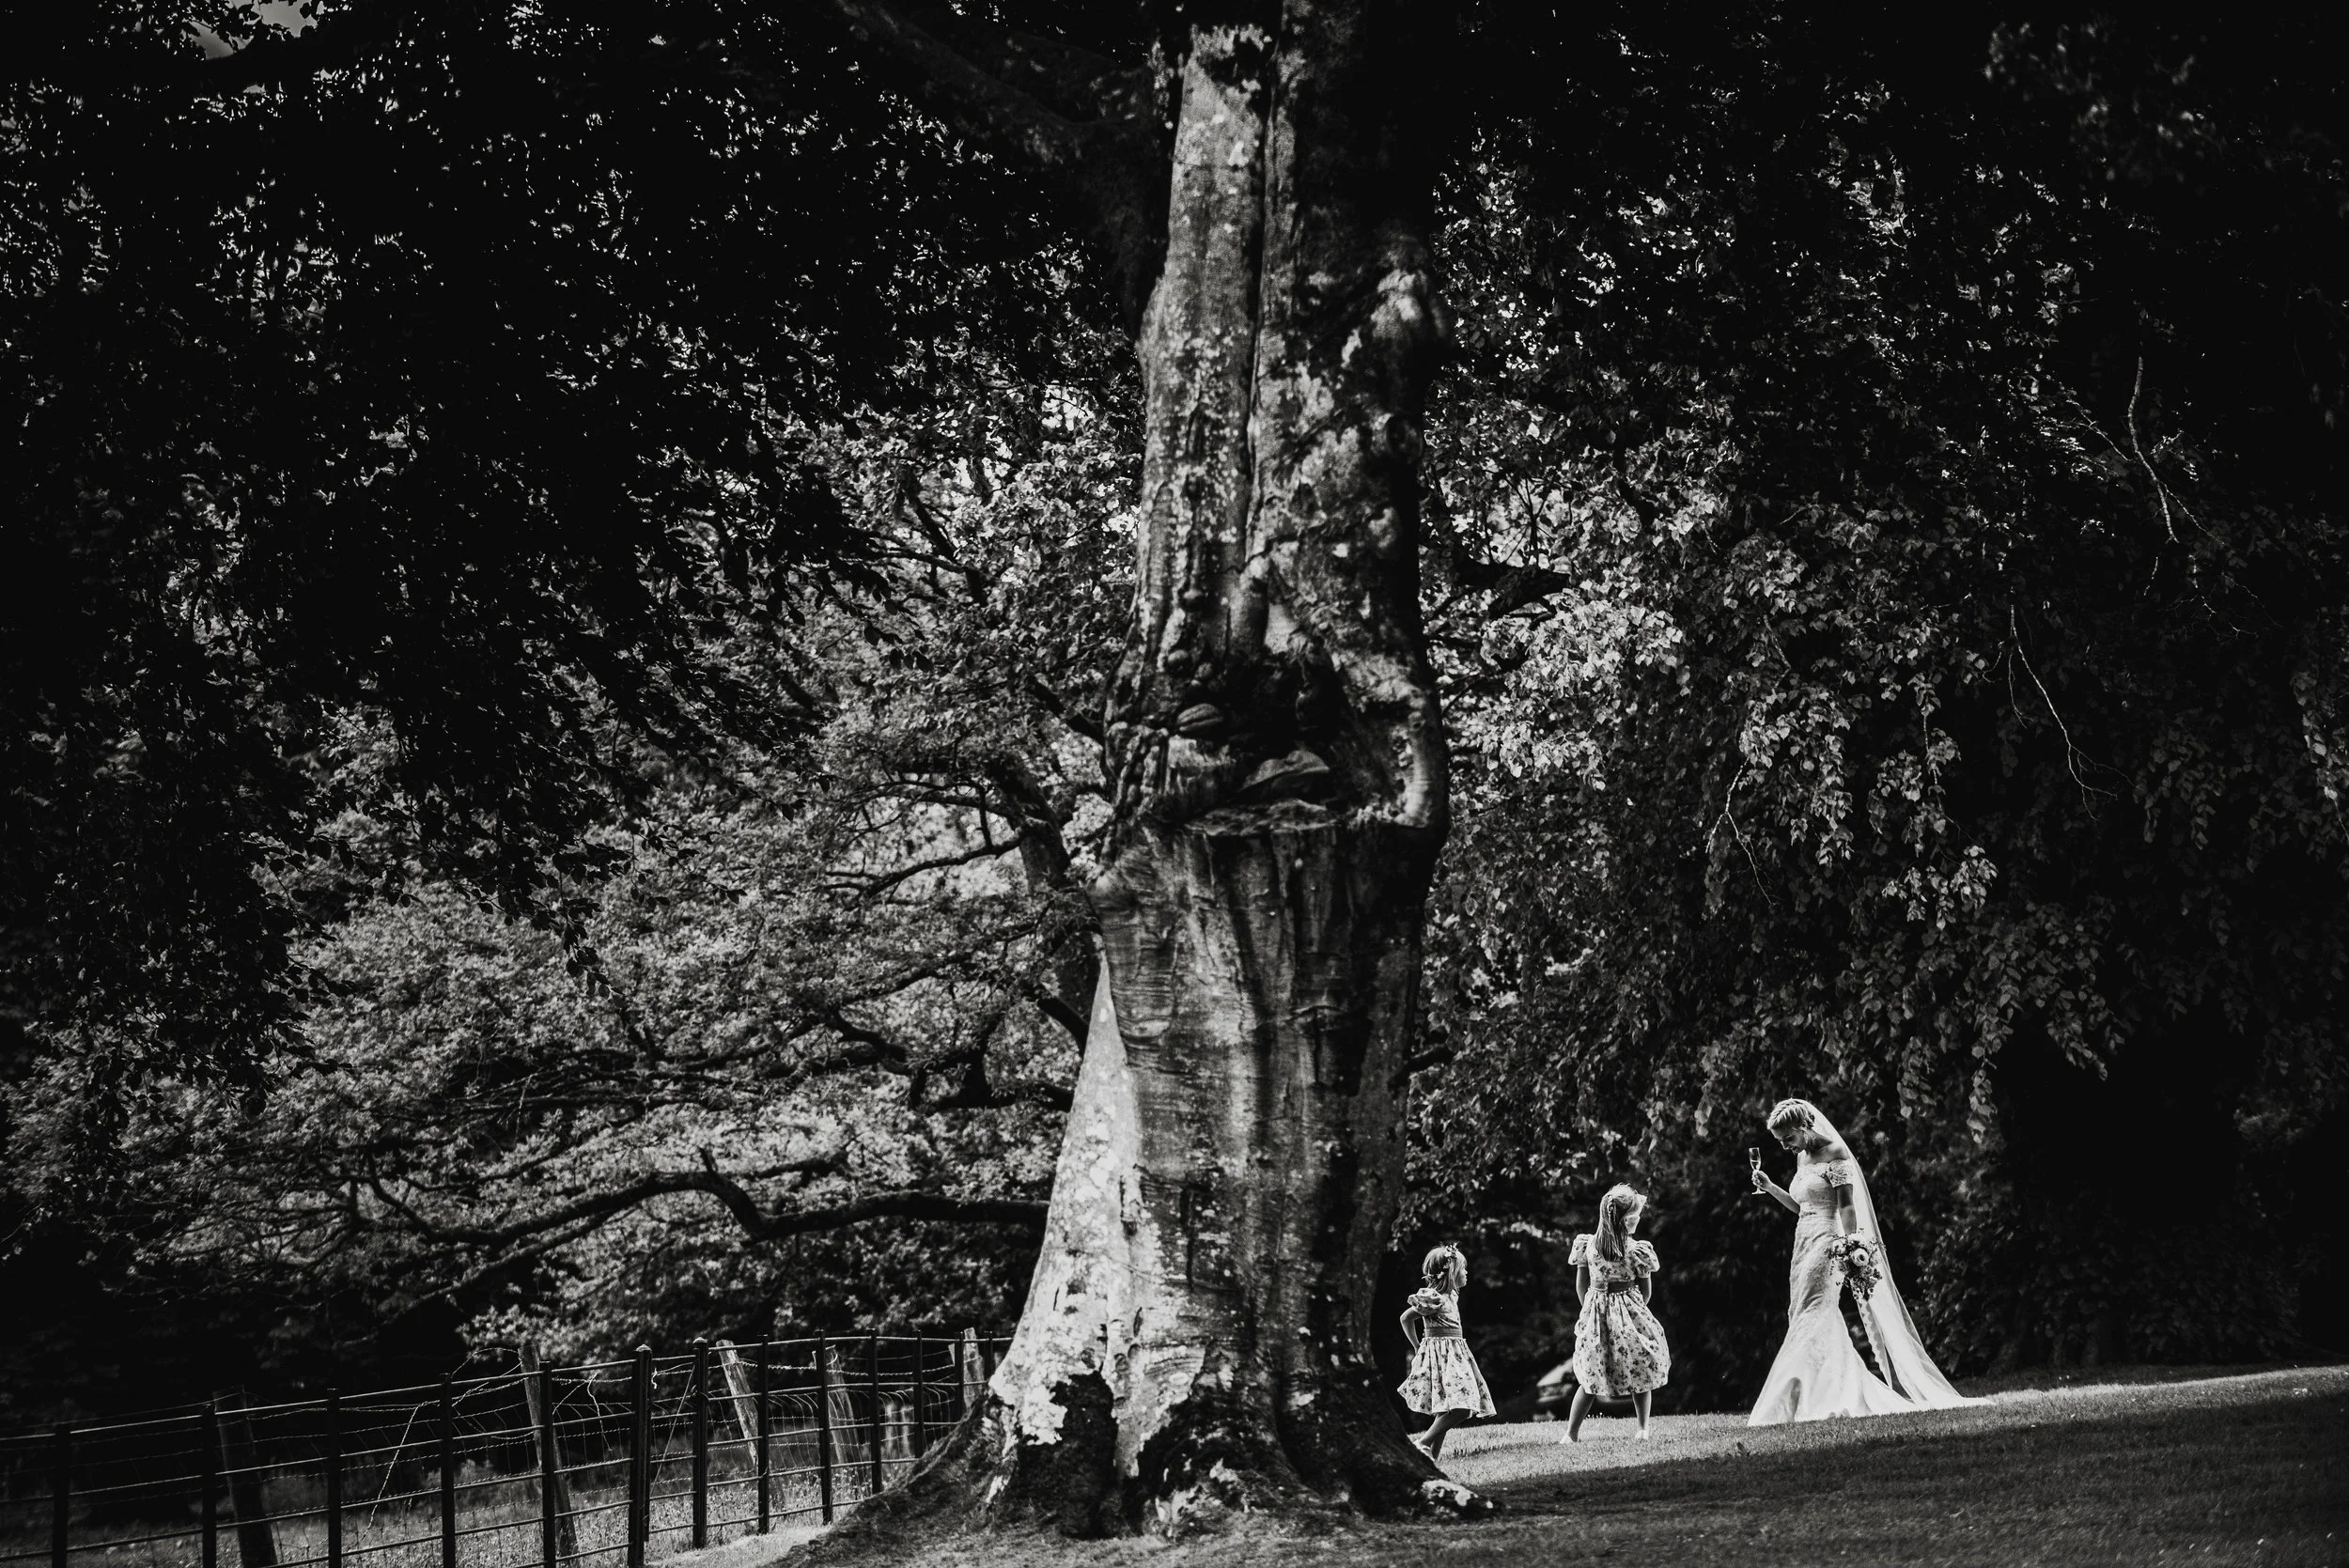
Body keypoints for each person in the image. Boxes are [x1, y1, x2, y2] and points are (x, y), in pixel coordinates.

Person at [1747, 1097, 1975, 1425]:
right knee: (1801, 1312)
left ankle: (1792, 1393)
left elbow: (1847, 1207)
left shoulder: (1836, 1154)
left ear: (1803, 1127)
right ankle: (1820, 1390)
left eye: (1787, 1138)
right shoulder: (1802, 1157)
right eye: (1780, 1141)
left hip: (1829, 1243)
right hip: (1803, 1243)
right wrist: (1770, 1188)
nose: (1785, 1146)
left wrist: (1851, 1243)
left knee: (1815, 1312)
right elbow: (1801, 1208)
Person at [1561, 1183, 1672, 1442]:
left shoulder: (1589, 1247)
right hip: (1629, 1312)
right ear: (1626, 1219)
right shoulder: (1635, 1250)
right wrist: (1633, 1310)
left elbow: (1581, 1286)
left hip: (1596, 1312)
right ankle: (1642, 1428)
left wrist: (1590, 1309)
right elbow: (1645, 1292)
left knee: (1590, 1372)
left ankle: (1571, 1434)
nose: (1639, 1218)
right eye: (1635, 1215)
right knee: (1640, 1367)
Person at [1398, 1243, 1495, 1461]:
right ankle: (1421, 1443)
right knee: (1463, 1407)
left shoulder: (1452, 1297)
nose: (1467, 1272)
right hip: (1441, 1356)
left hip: (1455, 1354)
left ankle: (1431, 1458)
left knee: (1445, 1409)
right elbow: (1406, 1318)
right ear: (1451, 1272)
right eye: (1463, 1269)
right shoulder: (1434, 1298)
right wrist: (1417, 1346)